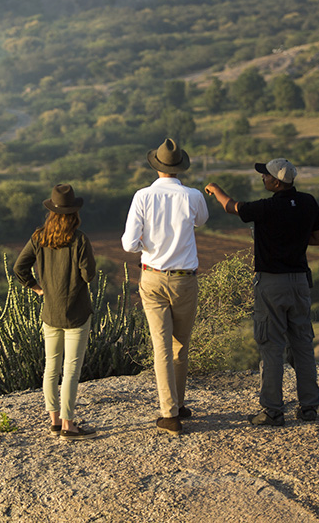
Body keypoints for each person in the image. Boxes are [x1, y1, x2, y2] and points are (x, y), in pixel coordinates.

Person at [205, 157, 319, 427]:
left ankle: (272, 410)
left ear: (276, 182)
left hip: (272, 284)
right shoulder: (308, 202)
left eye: (266, 176)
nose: (263, 178)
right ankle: (309, 407)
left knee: (271, 347)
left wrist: (215, 189)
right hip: (300, 283)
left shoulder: (266, 208)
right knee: (303, 344)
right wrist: (293, 236)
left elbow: (231, 207)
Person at [121, 138, 209, 436]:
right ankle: (179, 403)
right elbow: (202, 220)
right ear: (180, 166)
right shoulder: (193, 195)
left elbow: (129, 244)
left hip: (153, 276)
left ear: (156, 166)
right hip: (186, 278)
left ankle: (169, 413)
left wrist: (149, 243)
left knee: (161, 345)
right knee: (181, 343)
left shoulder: (142, 196)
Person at [14, 183, 98, 441]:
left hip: (50, 313)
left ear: (51, 211)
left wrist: (38, 289)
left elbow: (19, 267)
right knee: (71, 370)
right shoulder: (80, 239)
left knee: (51, 368)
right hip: (76, 313)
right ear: (74, 213)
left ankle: (54, 422)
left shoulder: (39, 237)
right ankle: (69, 426)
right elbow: (88, 274)